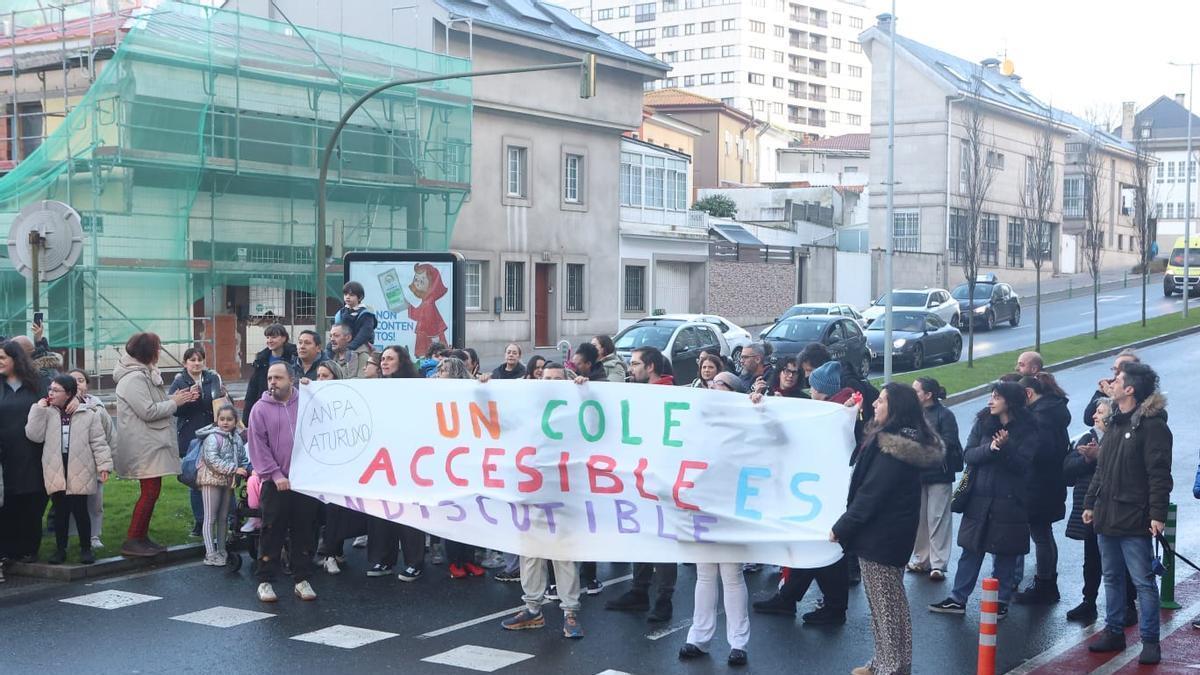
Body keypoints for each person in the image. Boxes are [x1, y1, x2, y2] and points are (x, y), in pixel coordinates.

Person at [834, 383, 944, 675]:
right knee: (886, 606)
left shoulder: (894, 449)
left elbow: (872, 493)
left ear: (895, 408)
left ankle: (891, 666)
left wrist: (842, 527)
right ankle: (884, 661)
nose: (875, 405)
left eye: (881, 401)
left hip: (881, 537)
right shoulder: (894, 439)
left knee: (887, 607)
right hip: (886, 535)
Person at [753, 358, 856, 624]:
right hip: (817, 487)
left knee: (823, 548)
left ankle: (832, 608)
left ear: (823, 388)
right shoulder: (834, 408)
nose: (810, 390)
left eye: (813, 385)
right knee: (813, 546)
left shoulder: (833, 412)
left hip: (821, 489)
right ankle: (790, 598)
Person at [1084, 362, 1171, 666]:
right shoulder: (1116, 423)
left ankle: (1150, 640)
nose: (1112, 382)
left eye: (1118, 379)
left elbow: (1159, 475)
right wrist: (1089, 503)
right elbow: (1102, 470)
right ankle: (1114, 631)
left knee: (1143, 581)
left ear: (1130, 389)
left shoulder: (1152, 426)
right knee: (1111, 578)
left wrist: (1157, 515)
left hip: (1134, 517)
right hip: (1107, 514)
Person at [930, 381, 1036, 619]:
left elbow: (1022, 466)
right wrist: (992, 448)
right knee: (971, 549)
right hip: (979, 498)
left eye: (996, 397)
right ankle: (958, 598)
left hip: (1010, 501)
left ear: (1010, 401)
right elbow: (969, 454)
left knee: (1005, 553)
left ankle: (1000, 601)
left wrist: (1006, 449)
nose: (990, 401)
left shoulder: (1029, 429)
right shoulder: (983, 422)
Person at [679, 374, 753, 668]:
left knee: (732, 575)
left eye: (720, 385)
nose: (712, 388)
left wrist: (757, 408)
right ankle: (699, 637)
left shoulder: (745, 422)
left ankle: (738, 643)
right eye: (711, 385)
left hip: (731, 505)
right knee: (705, 574)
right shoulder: (699, 422)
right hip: (702, 504)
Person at [606, 346, 676, 621]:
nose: (630, 368)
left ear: (650, 367)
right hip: (640, 477)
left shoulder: (671, 394)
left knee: (665, 540)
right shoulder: (636, 393)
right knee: (642, 534)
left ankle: (664, 599)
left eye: (635, 364)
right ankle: (639, 590)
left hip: (664, 479)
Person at [114, 332, 198, 558]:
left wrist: (175, 398)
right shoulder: (134, 379)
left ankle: (141, 537)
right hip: (143, 446)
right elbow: (148, 411)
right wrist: (174, 402)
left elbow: (152, 404)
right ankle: (133, 539)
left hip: (149, 443)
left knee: (152, 492)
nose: (160, 352)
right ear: (148, 352)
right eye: (158, 348)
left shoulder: (142, 374)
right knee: (150, 492)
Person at [248, 362, 319, 603]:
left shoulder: (307, 402)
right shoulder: (259, 409)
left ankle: (301, 579)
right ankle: (265, 580)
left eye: (278, 377)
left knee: (304, 531)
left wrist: (316, 390)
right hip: (275, 483)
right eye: (270, 378)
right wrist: (275, 475)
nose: (272, 382)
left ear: (292, 379)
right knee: (272, 531)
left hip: (304, 482)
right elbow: (258, 446)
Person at [1062, 398, 1137, 625]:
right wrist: (1086, 459)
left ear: (1113, 415)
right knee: (1091, 558)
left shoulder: (1123, 436)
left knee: (1120, 560)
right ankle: (1088, 601)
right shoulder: (1087, 437)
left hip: (1116, 509)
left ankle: (1128, 604)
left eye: (1100, 412)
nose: (1094, 416)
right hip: (1091, 509)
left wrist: (1099, 457)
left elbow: (1126, 469)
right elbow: (1067, 469)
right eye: (1095, 411)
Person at [27, 374, 112, 565]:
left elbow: (98, 442)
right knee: (60, 510)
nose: (51, 393)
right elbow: (34, 435)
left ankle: (85, 549)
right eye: (50, 389)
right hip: (56, 466)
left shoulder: (87, 414)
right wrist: (38, 409)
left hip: (80, 466)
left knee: (81, 509)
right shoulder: (47, 412)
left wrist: (104, 465)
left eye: (56, 390)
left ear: (69, 394)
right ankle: (60, 549)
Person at [365, 346, 428, 579]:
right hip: (381, 461)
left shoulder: (416, 388)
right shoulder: (375, 389)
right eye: (382, 359)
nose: (384, 362)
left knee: (408, 511)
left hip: (408, 460)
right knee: (380, 511)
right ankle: (382, 559)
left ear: (402, 362)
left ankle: (415, 561)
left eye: (390, 358)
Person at [1013, 372, 1071, 605]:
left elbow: (1040, 452)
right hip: (1049, 483)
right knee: (1044, 534)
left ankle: (1045, 583)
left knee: (1041, 535)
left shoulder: (1040, 418)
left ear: (1028, 393)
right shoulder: (1051, 411)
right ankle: (1047, 583)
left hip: (1039, 485)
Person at [434, 356, 487, 579]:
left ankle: (469, 559)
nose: (439, 374)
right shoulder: (432, 393)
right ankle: (455, 561)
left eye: (444, 370)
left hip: (469, 461)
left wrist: (485, 384)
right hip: (446, 462)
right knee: (453, 513)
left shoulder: (471, 391)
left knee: (471, 514)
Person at [908, 377, 962, 582]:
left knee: (937, 518)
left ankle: (938, 564)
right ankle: (922, 559)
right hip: (917, 473)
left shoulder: (945, 415)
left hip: (939, 472)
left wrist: (921, 442)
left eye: (916, 391)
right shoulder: (913, 414)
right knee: (919, 518)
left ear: (928, 395)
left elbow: (949, 442)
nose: (913, 395)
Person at [0, 341, 48, 564]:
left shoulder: (37, 384)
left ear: (16, 359)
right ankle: (9, 549)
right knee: (8, 501)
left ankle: (30, 548)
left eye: (2, 358)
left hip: (33, 452)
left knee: (32, 498)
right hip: (5, 454)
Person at [168, 346, 224, 538]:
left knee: (220, 476)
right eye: (192, 360)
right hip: (191, 437)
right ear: (185, 363)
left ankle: (227, 519)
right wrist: (187, 399)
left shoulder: (212, 378)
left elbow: (219, 402)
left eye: (199, 359)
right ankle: (200, 521)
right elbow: (174, 410)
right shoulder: (179, 381)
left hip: (212, 434)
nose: (196, 363)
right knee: (196, 480)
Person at [195, 404, 249, 566]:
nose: (225, 422)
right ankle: (210, 553)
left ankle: (222, 549)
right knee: (210, 517)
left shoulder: (237, 438)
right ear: (217, 420)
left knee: (223, 517)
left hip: (228, 481)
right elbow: (212, 460)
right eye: (222, 419)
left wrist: (246, 469)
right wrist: (234, 469)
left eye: (229, 419)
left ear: (235, 421)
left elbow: (242, 457)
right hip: (210, 480)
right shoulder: (213, 438)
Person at [70, 368, 115, 551]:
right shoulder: (59, 406)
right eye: (73, 381)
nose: (77, 384)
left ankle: (94, 535)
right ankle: (73, 536)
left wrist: (109, 461)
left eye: (81, 380)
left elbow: (109, 434)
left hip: (95, 462)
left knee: (95, 502)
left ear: (87, 384)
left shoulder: (97, 407)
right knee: (73, 504)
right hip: (72, 464)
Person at [243, 323, 296, 425]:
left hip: (288, 405)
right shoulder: (261, 360)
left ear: (284, 338)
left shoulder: (294, 357)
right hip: (266, 407)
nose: (269, 340)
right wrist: (246, 419)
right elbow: (253, 389)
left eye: (274, 337)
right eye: (267, 337)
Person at [1083, 349, 1139, 427]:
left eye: (1121, 369)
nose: (1116, 373)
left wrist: (1112, 395)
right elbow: (1089, 419)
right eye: (1115, 369)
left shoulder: (1140, 391)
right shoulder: (1112, 387)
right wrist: (1100, 392)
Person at [407, 263, 449, 356]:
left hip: (428, 338)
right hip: (428, 337)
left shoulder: (428, 303)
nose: (417, 283)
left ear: (432, 284)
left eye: (421, 281)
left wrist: (435, 344)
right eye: (416, 279)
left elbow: (429, 324)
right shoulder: (426, 301)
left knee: (426, 355)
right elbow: (419, 315)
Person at [333, 281, 377, 353]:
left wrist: (351, 347)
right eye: (345, 294)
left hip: (361, 345)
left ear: (360, 297)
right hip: (343, 344)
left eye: (351, 295)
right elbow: (336, 332)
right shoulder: (340, 313)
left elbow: (365, 333)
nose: (347, 297)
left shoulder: (366, 314)